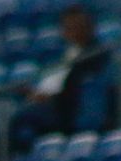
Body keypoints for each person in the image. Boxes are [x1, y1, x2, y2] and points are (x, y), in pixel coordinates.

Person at [10, 5, 109, 150]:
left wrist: (49, 98)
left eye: (76, 27)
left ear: (89, 27)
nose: (71, 32)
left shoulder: (94, 54)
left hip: (65, 109)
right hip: (46, 100)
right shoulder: (65, 53)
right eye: (67, 27)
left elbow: (78, 88)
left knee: (19, 117)